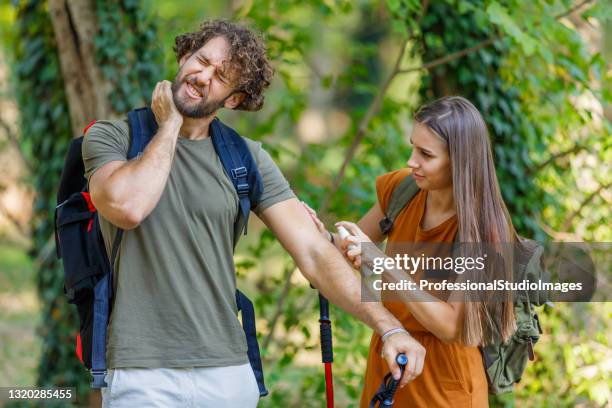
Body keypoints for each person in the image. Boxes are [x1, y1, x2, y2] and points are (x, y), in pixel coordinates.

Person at [83, 19, 424, 407]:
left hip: (228, 374)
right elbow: (128, 207)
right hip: (142, 372)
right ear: (183, 57)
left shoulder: (246, 158)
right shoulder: (114, 137)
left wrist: (389, 326)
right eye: (201, 60)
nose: (202, 75)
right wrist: (170, 127)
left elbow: (313, 252)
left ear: (233, 99)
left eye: (220, 75)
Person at [305, 96, 518, 407]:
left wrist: (384, 265)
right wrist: (315, 231)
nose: (411, 161)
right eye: (412, 147)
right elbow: (349, 246)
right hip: (389, 361)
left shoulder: (485, 231)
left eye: (426, 154)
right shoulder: (402, 190)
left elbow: (451, 326)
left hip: (445, 385)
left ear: (459, 161)